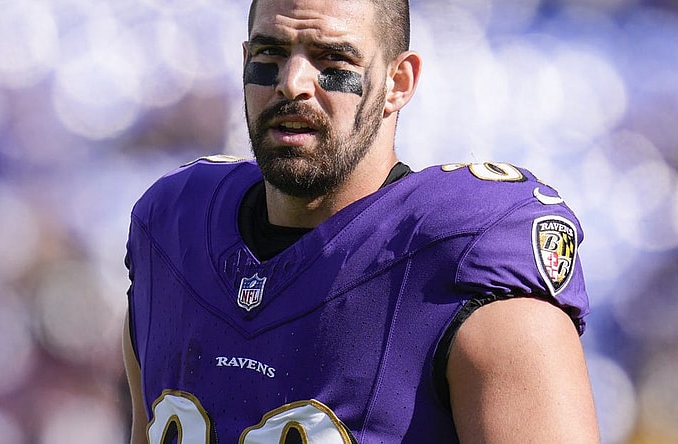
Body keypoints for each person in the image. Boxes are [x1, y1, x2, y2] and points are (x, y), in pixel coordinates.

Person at [122, 0, 600, 442]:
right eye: (271, 52)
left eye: (332, 60)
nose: (292, 83)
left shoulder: (465, 252)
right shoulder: (172, 230)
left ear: (399, 82)